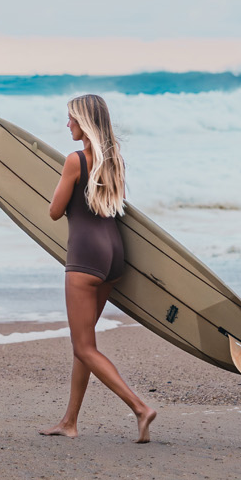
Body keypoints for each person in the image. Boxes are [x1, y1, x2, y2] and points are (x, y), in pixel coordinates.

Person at [40, 94, 157, 443]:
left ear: (85, 122)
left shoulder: (75, 160)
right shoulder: (114, 160)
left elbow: (54, 212)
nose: (68, 125)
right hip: (114, 256)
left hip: (85, 257)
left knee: (84, 346)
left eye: (71, 119)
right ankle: (70, 422)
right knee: (84, 343)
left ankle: (139, 408)